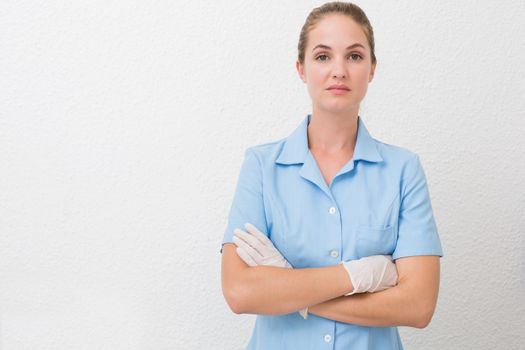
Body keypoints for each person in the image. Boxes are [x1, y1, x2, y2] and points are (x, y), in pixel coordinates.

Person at [220, 2, 443, 349]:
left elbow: (417, 306)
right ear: (301, 68)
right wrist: (363, 275)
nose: (339, 70)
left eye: (354, 56)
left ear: (372, 68)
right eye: (323, 56)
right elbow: (239, 292)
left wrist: (289, 288)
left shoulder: (403, 170)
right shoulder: (261, 167)